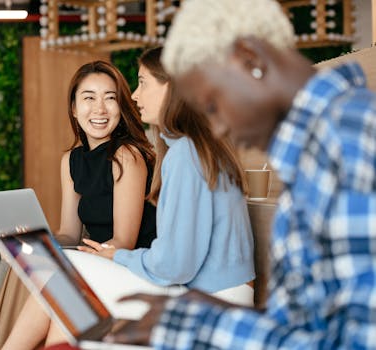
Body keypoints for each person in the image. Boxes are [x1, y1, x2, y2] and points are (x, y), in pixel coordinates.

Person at [106, 0, 376, 348]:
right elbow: (311, 326)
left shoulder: (349, 140)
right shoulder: (323, 143)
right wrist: (210, 316)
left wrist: (200, 327)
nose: (216, 125)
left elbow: (358, 338)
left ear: (250, 60)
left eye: (213, 102)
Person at [37, 46, 256, 348]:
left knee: (64, 277)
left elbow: (175, 265)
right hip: (210, 290)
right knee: (63, 286)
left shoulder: (185, 155)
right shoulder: (190, 148)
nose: (135, 96)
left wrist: (118, 255)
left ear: (171, 88)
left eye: (143, 83)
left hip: (212, 300)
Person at [1, 60, 157, 350]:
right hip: (90, 265)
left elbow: (124, 242)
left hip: (126, 266)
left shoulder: (127, 156)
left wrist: (72, 259)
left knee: (56, 282)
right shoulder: (71, 161)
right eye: (89, 98)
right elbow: (70, 233)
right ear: (73, 108)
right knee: (42, 275)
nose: (99, 109)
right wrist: (37, 240)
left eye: (110, 98)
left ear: (122, 108)